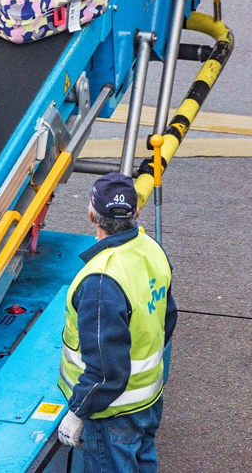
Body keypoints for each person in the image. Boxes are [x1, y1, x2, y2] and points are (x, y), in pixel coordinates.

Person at [56, 172, 177, 472]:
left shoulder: (102, 279)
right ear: (136, 212)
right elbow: (167, 320)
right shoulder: (152, 250)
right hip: (147, 402)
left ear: (90, 215)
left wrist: (78, 412)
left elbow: (106, 372)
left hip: (111, 414)